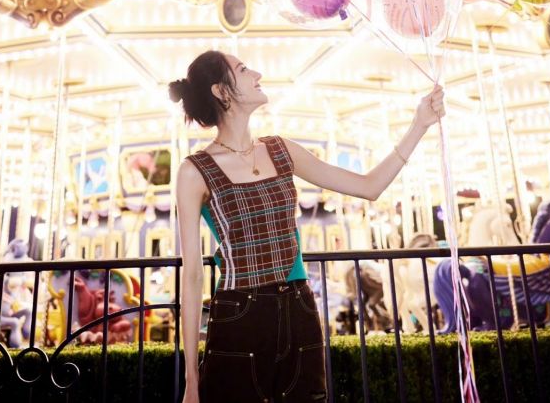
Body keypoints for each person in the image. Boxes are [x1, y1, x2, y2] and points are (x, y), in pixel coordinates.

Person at [170, 50, 444, 403]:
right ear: (222, 92)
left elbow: (368, 186)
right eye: (243, 69)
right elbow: (191, 275)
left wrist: (419, 125)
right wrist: (192, 378)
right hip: (240, 313)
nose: (258, 73)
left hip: (298, 307)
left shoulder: (280, 150)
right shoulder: (194, 170)